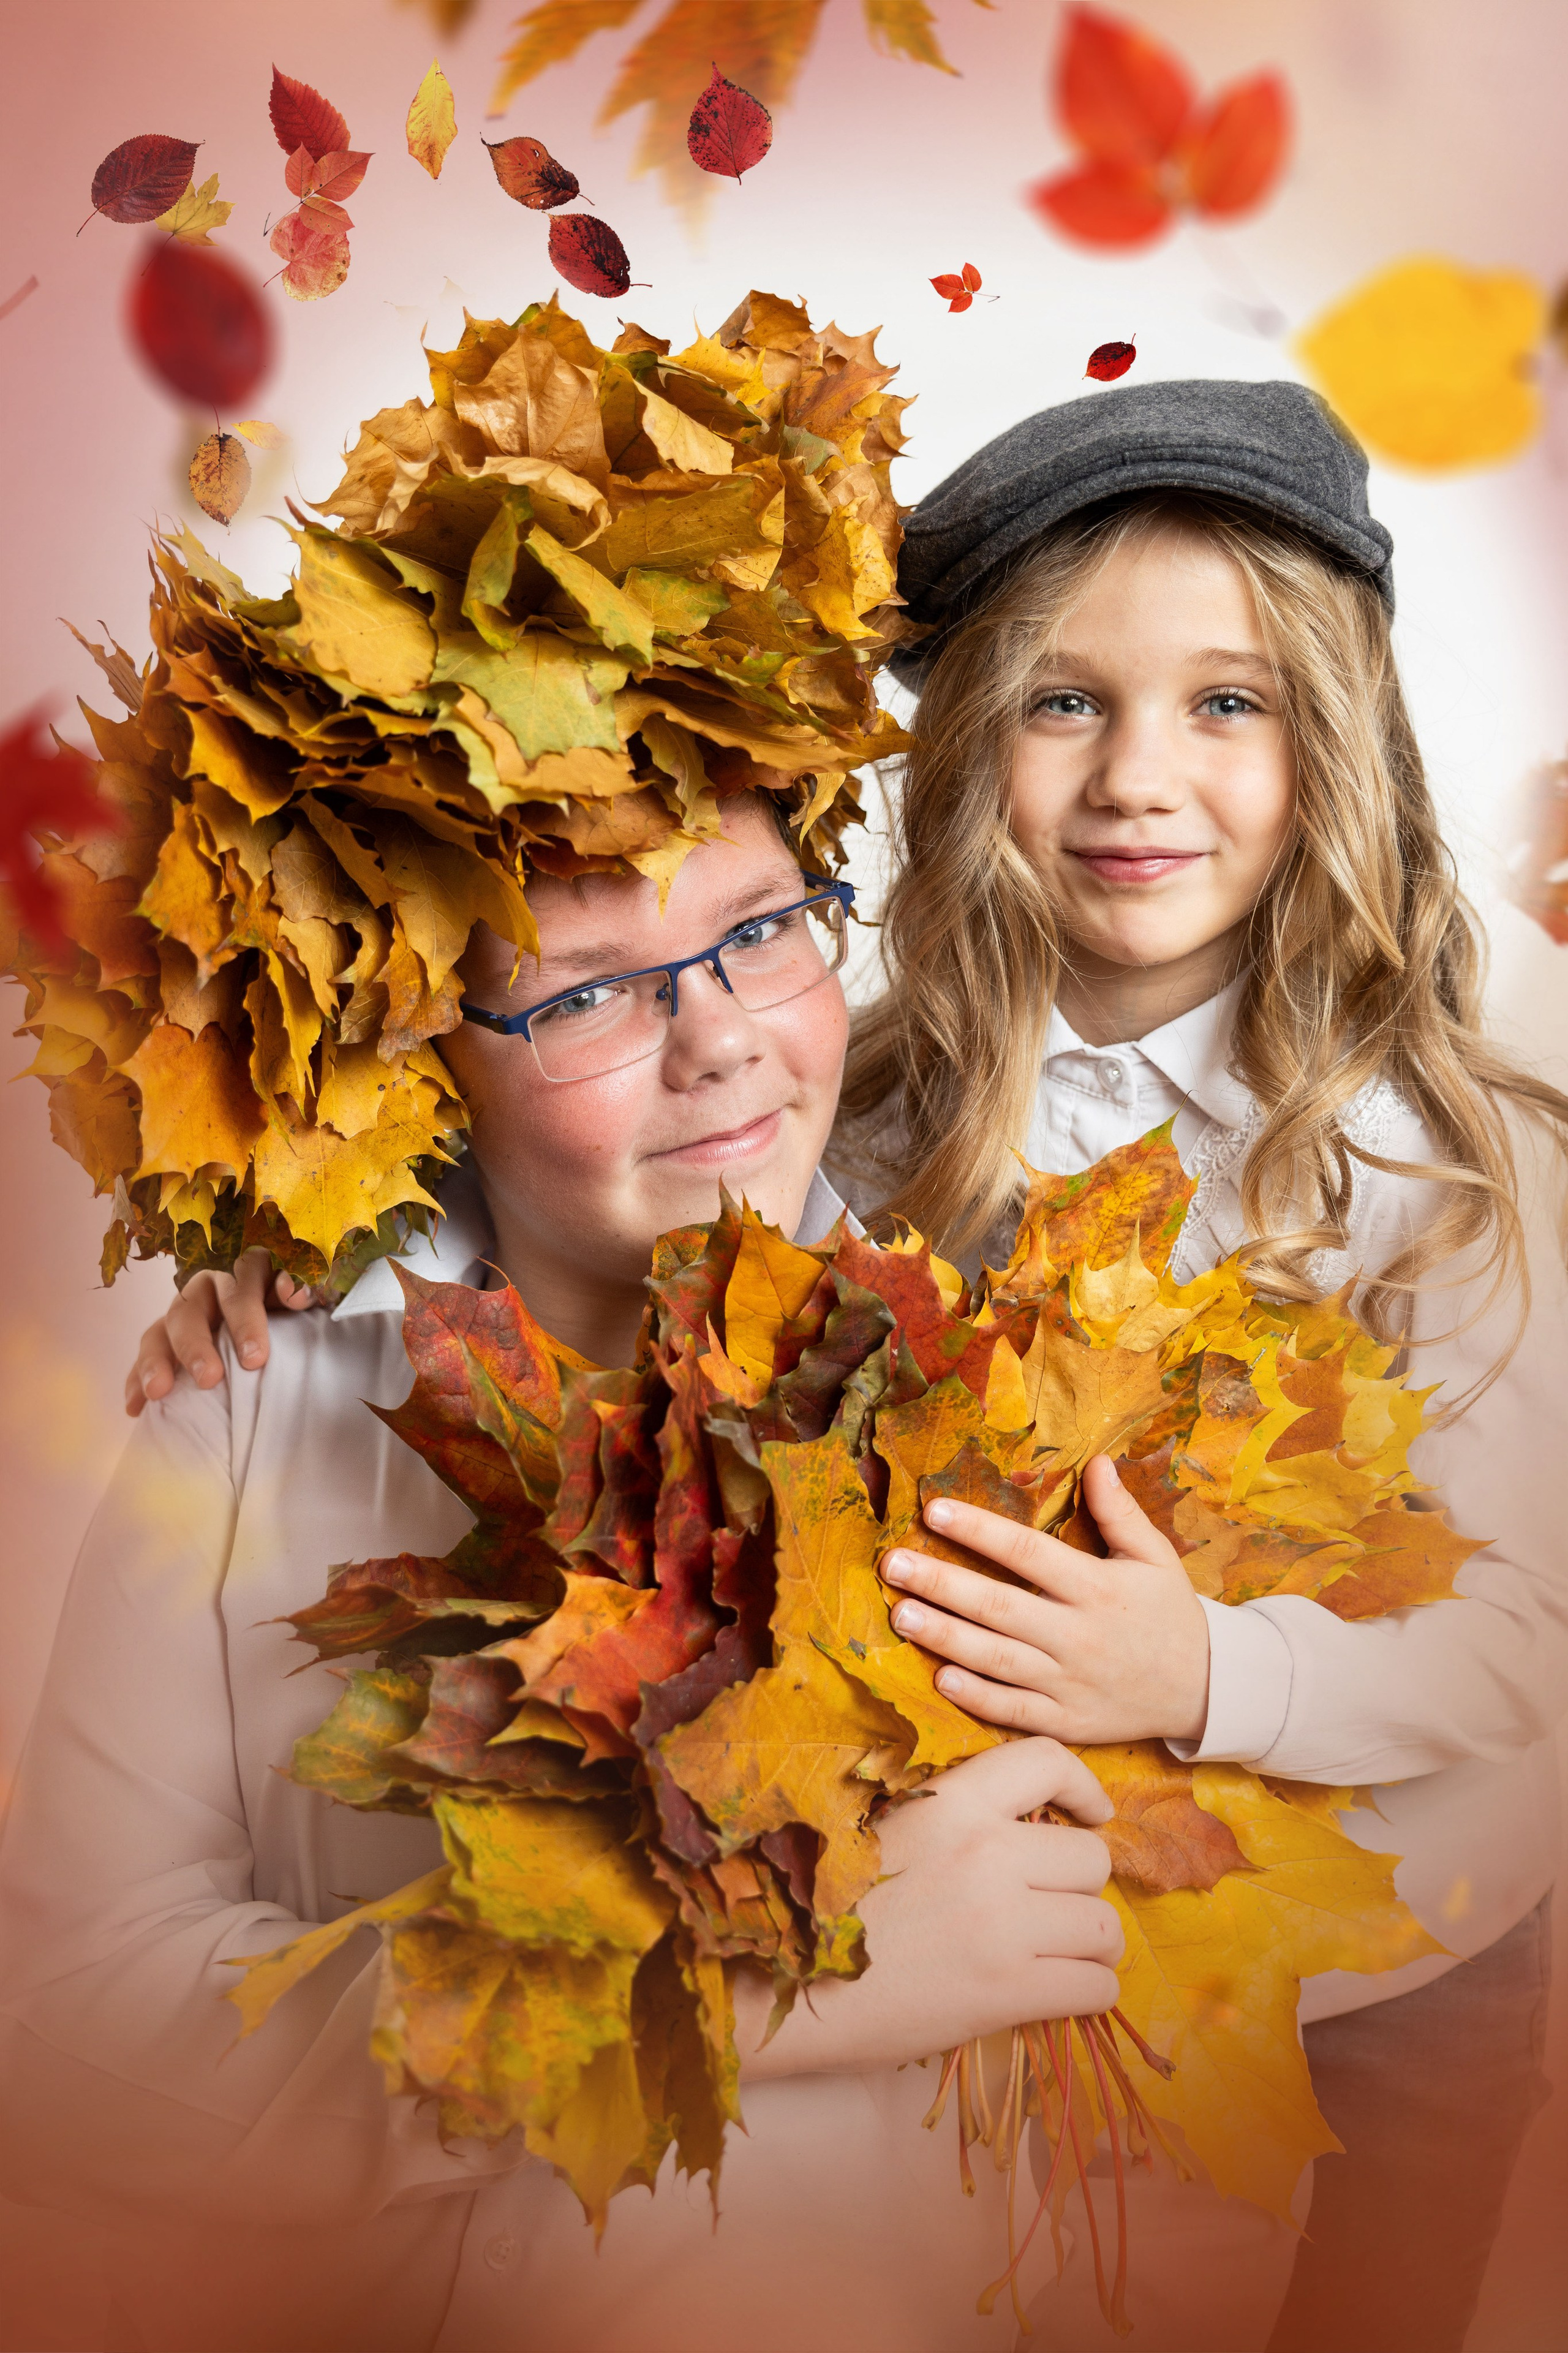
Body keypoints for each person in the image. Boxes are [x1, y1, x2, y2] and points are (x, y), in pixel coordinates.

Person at [0, 788, 1123, 2353]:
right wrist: (719, 2002)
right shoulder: (249, 1404)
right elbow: (71, 2033)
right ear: (422, 1053)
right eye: (588, 989)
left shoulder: (1022, 1406)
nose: (717, 1038)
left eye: (757, 930)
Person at [828, 379, 1567, 2353]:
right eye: (1065, 701)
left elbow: (1526, 1646)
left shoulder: (1440, 1160)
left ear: (1331, 739)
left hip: (1408, 1948)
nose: (1139, 776)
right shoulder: (875, 1125)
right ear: (970, 736)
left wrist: (1204, 1674)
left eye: (1227, 704)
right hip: (1041, 1950)